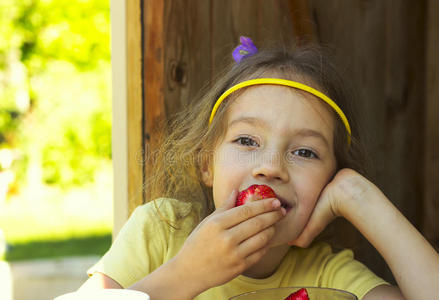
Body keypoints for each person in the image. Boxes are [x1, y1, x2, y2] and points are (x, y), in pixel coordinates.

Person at [79, 37, 439, 300]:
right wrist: (186, 274)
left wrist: (359, 197)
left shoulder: (328, 275)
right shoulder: (160, 231)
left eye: (304, 151)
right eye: (247, 141)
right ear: (207, 164)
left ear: (328, 183)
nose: (270, 167)